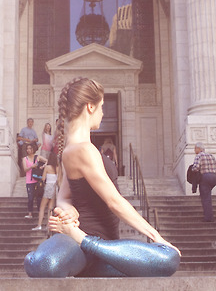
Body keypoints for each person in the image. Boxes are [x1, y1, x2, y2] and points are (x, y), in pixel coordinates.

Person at [24, 77, 181, 277]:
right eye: (101, 107)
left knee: (167, 260)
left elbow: (65, 197)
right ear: (90, 107)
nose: (103, 112)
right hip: (76, 245)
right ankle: (82, 242)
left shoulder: (78, 150)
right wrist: (156, 236)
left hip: (107, 248)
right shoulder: (81, 150)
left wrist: (67, 209)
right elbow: (113, 201)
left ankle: (88, 248)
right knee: (44, 264)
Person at [191, 142, 216, 222]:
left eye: (195, 148)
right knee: (208, 196)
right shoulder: (211, 156)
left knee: (205, 198)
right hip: (213, 177)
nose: (194, 150)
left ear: (199, 149)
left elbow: (196, 168)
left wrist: (192, 169)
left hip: (205, 177)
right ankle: (209, 214)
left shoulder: (199, 156)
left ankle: (208, 217)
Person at [32, 152, 58, 231]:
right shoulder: (58, 168)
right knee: (50, 208)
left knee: (42, 207)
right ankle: (48, 225)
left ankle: (39, 225)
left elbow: (43, 178)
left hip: (48, 187)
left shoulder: (47, 167)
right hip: (55, 187)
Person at [23, 144, 44, 219]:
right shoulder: (25, 159)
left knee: (39, 198)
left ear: (33, 149)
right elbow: (25, 169)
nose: (28, 150)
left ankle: (39, 213)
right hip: (29, 181)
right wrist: (31, 166)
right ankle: (30, 213)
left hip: (37, 180)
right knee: (30, 197)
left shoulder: (37, 157)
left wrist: (42, 167)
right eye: (27, 148)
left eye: (30, 148)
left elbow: (47, 161)